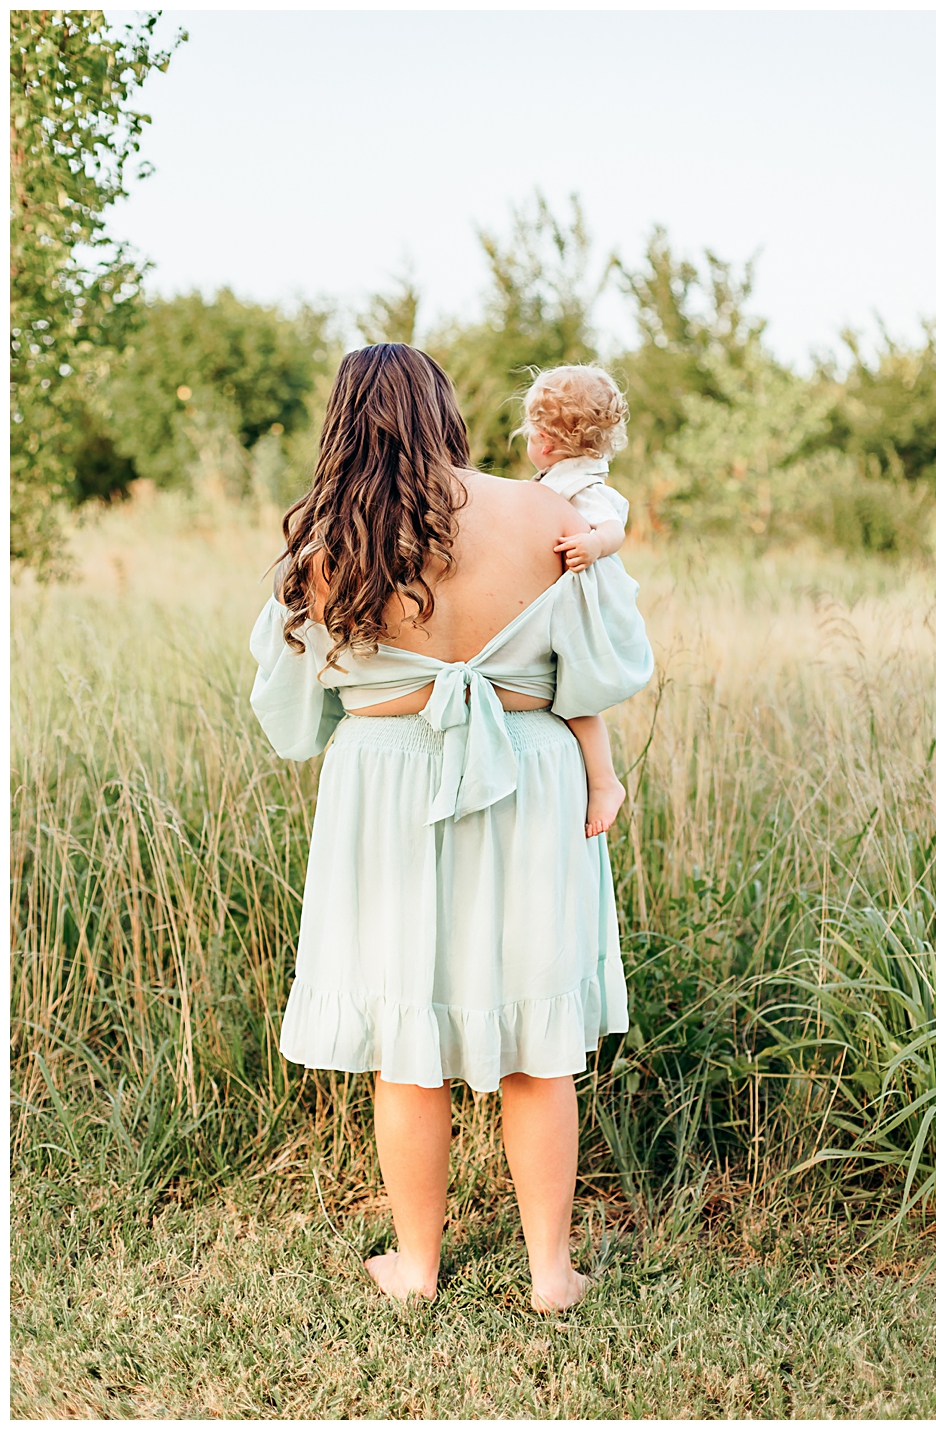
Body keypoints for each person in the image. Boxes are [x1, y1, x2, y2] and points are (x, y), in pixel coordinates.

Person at [248, 343, 654, 1312]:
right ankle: (551, 1271)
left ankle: (418, 1265)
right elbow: (605, 665)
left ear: (345, 421)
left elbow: (294, 719)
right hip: (532, 774)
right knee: (536, 1032)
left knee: (404, 1030)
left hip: (384, 786)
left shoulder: (323, 541)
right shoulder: (551, 513)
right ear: (447, 413)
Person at [516, 363, 635, 838]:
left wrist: (594, 544)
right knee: (568, 695)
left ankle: (605, 782)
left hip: (585, 602)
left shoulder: (584, 487)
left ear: (544, 442)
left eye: (529, 435)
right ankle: (602, 780)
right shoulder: (556, 479)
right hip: (567, 597)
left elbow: (614, 529)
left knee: (576, 699)